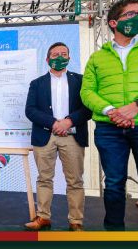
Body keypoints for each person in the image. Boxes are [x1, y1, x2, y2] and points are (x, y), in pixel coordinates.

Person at [81, 0, 138, 231]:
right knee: (113, 185)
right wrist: (111, 111)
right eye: (131, 14)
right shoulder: (98, 57)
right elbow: (87, 91)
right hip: (109, 129)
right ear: (114, 23)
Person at [24, 42, 91, 231]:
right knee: (44, 178)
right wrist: (54, 123)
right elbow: (30, 110)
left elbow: (88, 108)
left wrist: (68, 122)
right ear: (47, 59)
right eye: (55, 54)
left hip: (73, 136)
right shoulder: (37, 83)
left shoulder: (81, 81)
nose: (59, 57)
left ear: (69, 57)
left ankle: (76, 221)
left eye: (63, 54)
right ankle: (43, 217)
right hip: (45, 136)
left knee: (75, 180)